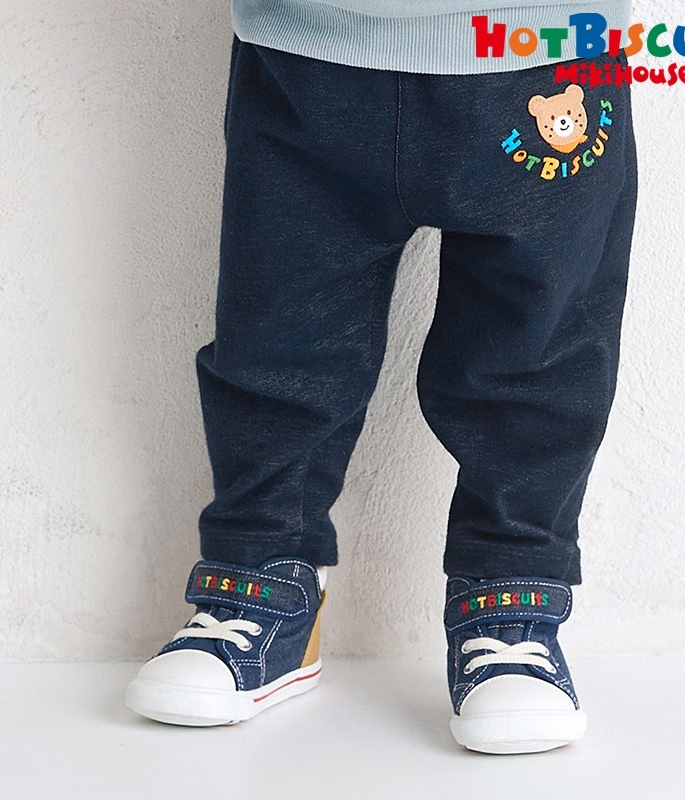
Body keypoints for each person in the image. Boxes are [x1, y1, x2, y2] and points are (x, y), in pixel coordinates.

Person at [126, 0, 637, 754]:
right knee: (278, 339)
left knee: (537, 352)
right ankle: (264, 579)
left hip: (545, 51)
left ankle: (513, 599)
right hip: (308, 50)